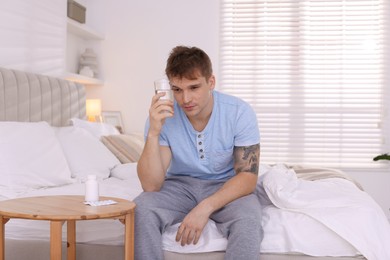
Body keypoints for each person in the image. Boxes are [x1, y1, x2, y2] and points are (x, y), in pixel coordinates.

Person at [134, 46, 263, 260]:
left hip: (226, 185)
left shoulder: (239, 112)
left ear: (211, 82)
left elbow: (248, 178)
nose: (185, 99)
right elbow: (151, 185)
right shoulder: (163, 116)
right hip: (180, 186)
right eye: (177, 89)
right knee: (141, 208)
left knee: (248, 218)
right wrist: (153, 133)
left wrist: (205, 208)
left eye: (194, 87)